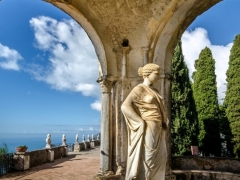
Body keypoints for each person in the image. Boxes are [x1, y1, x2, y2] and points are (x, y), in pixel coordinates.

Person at [121, 63, 168, 180]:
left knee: (160, 157)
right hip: (149, 126)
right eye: (156, 74)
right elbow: (125, 106)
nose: (158, 76)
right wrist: (139, 121)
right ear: (147, 74)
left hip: (158, 126)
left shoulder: (154, 90)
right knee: (149, 158)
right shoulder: (139, 89)